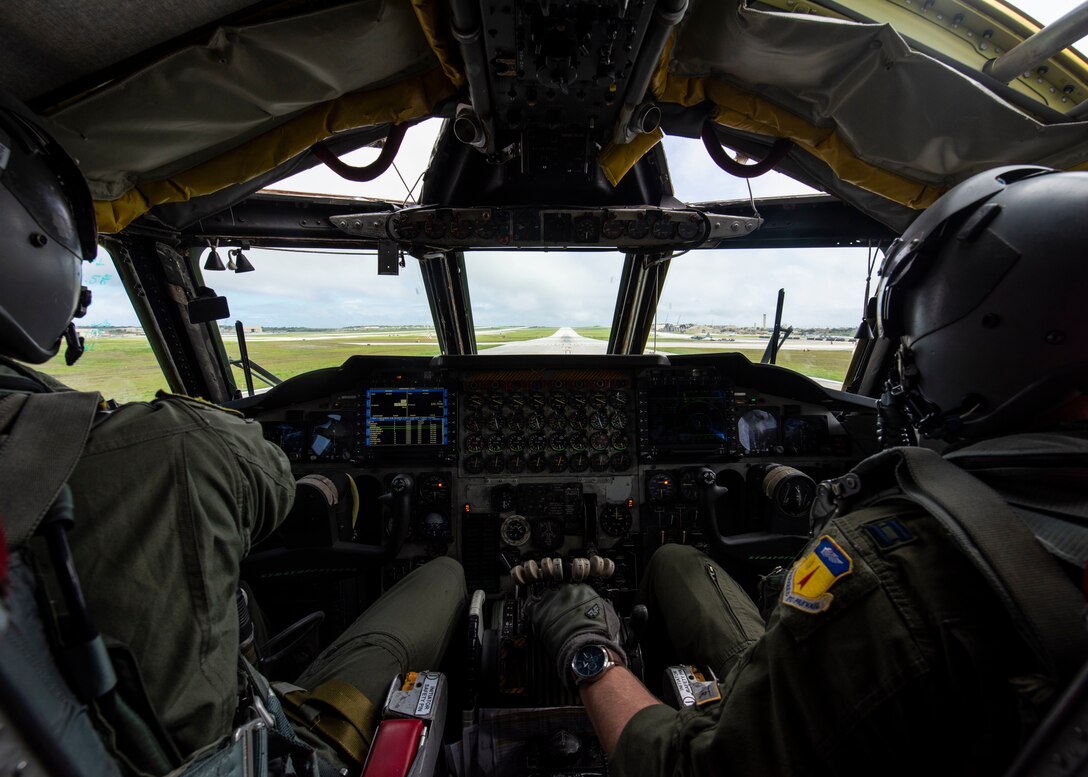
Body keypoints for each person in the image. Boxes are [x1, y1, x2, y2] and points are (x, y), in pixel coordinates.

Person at [528, 164, 1088, 775]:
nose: (905, 368)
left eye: (913, 342)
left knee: (649, 572)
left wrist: (589, 649)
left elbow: (687, 769)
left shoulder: (903, 566)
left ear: (980, 333)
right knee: (673, 558)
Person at [0, 90, 467, 774]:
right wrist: (314, 495)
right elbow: (235, 464)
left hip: (169, 732)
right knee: (451, 571)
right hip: (262, 750)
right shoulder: (162, 449)